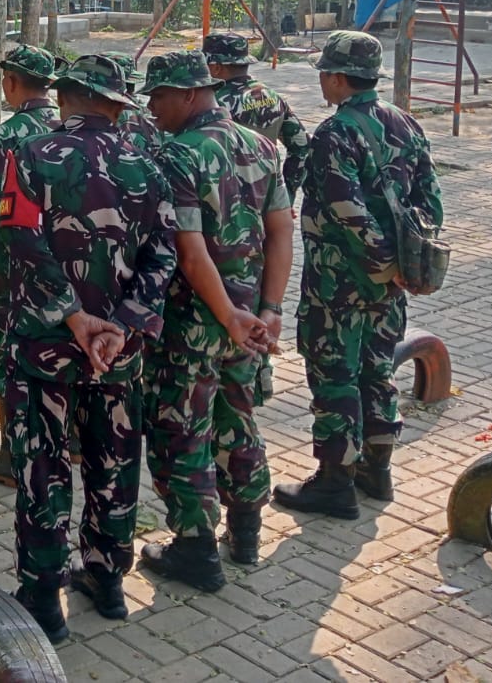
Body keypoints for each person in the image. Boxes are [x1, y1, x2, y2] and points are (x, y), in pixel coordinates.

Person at [0, 54, 177, 642]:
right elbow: (163, 255)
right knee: (115, 460)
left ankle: (44, 599)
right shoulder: (147, 166)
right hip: (117, 354)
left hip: (46, 346)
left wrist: (73, 316)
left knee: (43, 466)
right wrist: (120, 324)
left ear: (68, 96)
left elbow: (20, 238)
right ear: (117, 104)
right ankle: (108, 578)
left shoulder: (30, 156)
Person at [139, 51, 292, 593]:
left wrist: (226, 316)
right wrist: (268, 311)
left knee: (182, 428)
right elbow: (281, 232)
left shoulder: (180, 155)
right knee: (238, 413)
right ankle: (246, 531)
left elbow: (190, 250)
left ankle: (196, 550)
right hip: (249, 318)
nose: (152, 108)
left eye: (158, 96)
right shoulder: (262, 145)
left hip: (196, 321)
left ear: (188, 95)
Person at [274, 30, 441, 519]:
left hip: (339, 281)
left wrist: (381, 262)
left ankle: (334, 482)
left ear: (341, 78)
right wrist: (406, 267)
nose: (323, 82)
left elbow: (348, 210)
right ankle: (377, 469)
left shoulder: (335, 132)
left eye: (325, 73)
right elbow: (430, 202)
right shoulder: (406, 122)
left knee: (334, 373)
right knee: (378, 367)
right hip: (392, 284)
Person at [0, 45, 61, 486]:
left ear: (11, 83)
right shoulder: (67, 124)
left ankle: (11, 452)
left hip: (12, 261)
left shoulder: (5, 136)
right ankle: (72, 443)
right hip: (63, 260)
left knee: (8, 352)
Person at [203, 32, 310, 203]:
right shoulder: (273, 97)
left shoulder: (215, 104)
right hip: (268, 196)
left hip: (229, 202)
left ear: (216, 67)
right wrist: (287, 193)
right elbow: (302, 146)